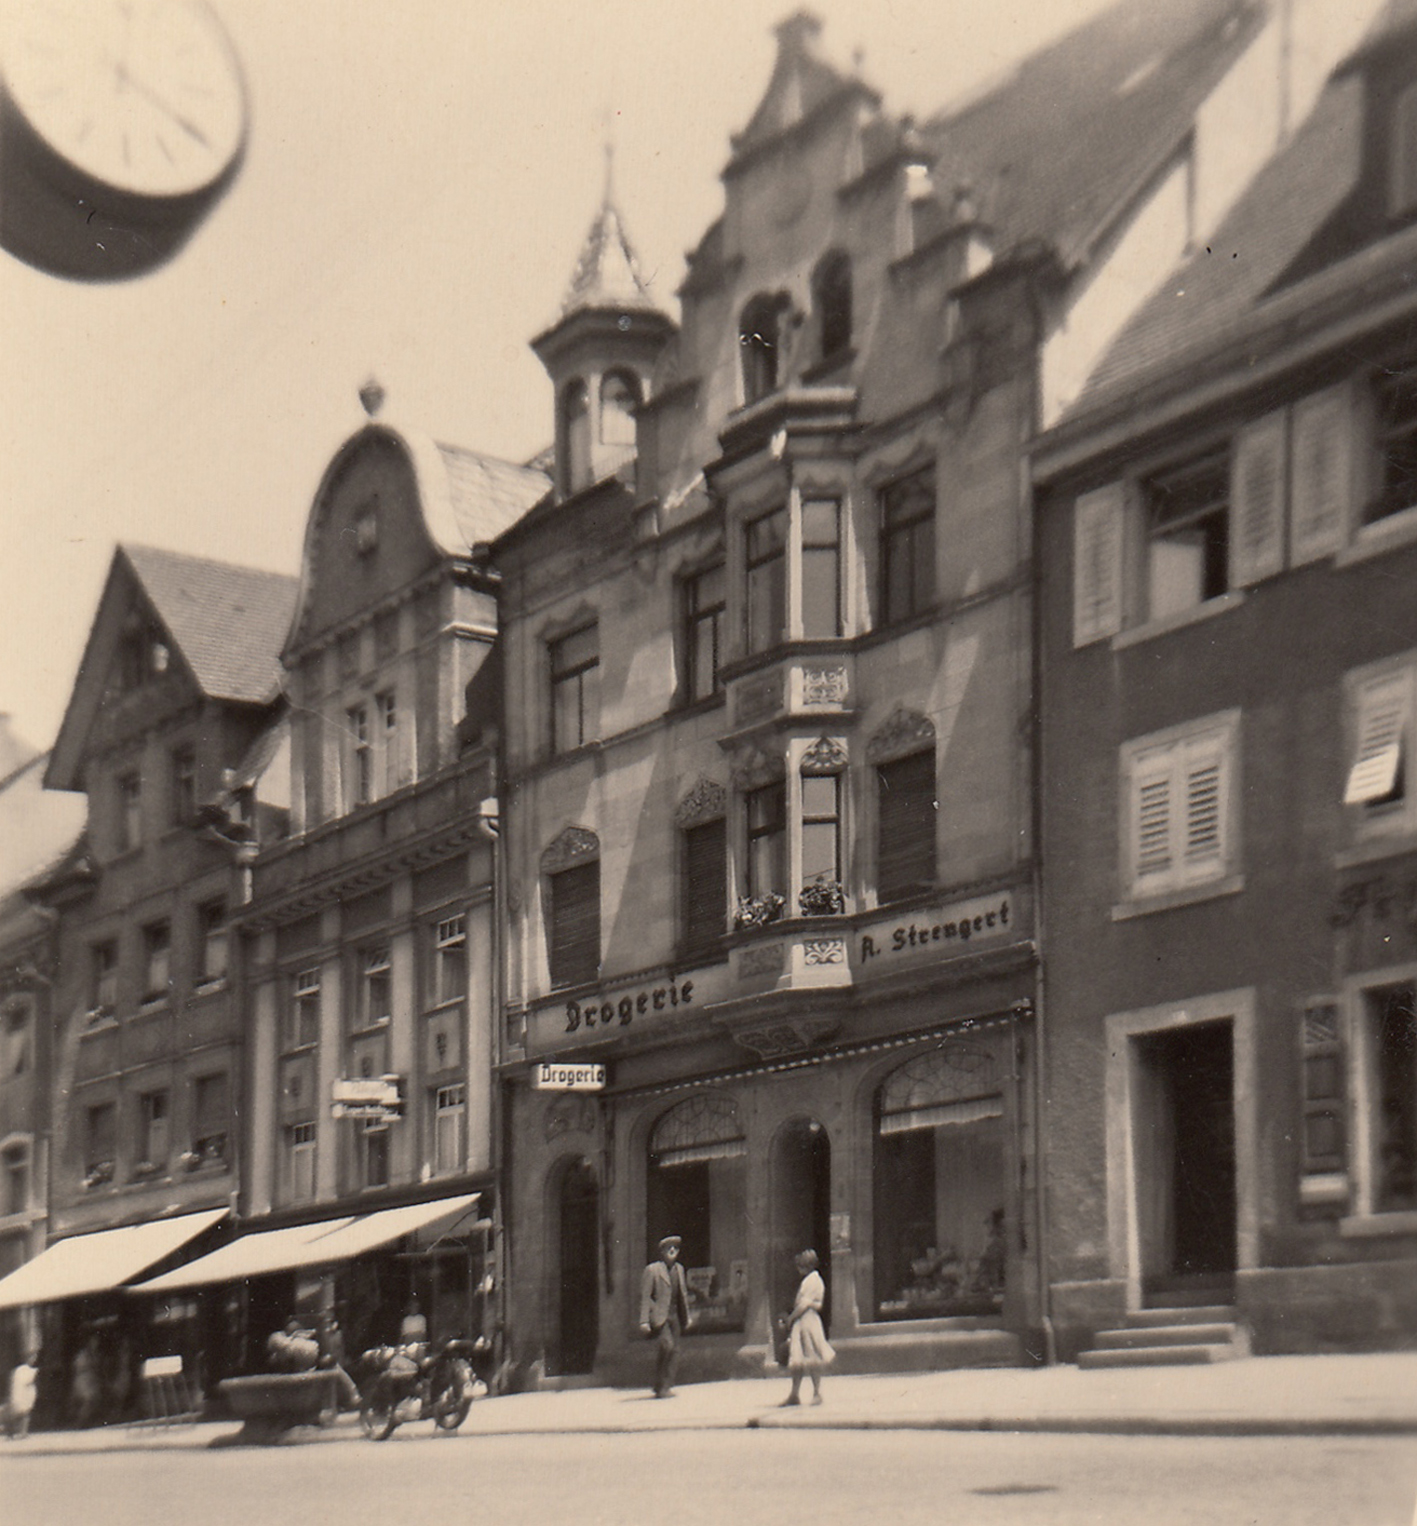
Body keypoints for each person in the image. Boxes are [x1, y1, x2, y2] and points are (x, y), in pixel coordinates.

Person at [638, 1233, 690, 1399]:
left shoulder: (679, 1269)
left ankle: (663, 1386)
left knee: (675, 1350)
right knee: (666, 1345)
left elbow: (683, 1294)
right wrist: (644, 1320)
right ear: (662, 1252)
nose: (673, 1250)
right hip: (660, 1316)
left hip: (675, 1315)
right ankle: (660, 1385)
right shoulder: (653, 1270)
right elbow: (645, 1296)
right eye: (669, 1248)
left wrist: (686, 1317)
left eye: (675, 1248)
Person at [780, 1249, 834, 1407]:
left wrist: (790, 1318)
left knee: (811, 1357)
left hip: (807, 1321)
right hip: (804, 1320)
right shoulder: (810, 1280)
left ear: (807, 1265)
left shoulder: (812, 1280)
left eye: (801, 1264)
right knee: (798, 1359)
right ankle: (794, 1394)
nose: (798, 1268)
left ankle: (817, 1393)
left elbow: (804, 1304)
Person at [315, 1311, 361, 1411]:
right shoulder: (319, 1335)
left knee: (338, 1373)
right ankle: (351, 1397)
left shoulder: (338, 1334)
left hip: (337, 1363)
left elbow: (341, 1351)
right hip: (325, 1365)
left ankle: (350, 1398)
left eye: (329, 1322)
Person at [5, 1351, 37, 1438]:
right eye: (32, 1358)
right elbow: (27, 1381)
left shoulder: (18, 1370)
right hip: (23, 1394)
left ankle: (17, 1432)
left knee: (21, 1414)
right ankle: (20, 1432)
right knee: (23, 1414)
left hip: (20, 1394)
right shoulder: (25, 1370)